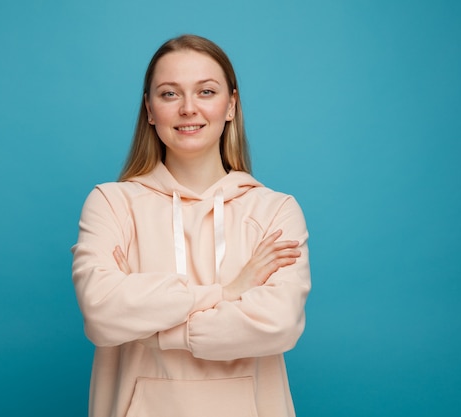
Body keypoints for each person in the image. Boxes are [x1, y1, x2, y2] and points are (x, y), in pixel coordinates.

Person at [71, 34, 311, 417]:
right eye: (169, 94)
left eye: (206, 91)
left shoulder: (275, 210)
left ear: (231, 105)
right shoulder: (111, 204)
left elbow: (277, 324)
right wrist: (228, 291)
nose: (188, 108)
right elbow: (102, 313)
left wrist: (154, 331)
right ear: (149, 109)